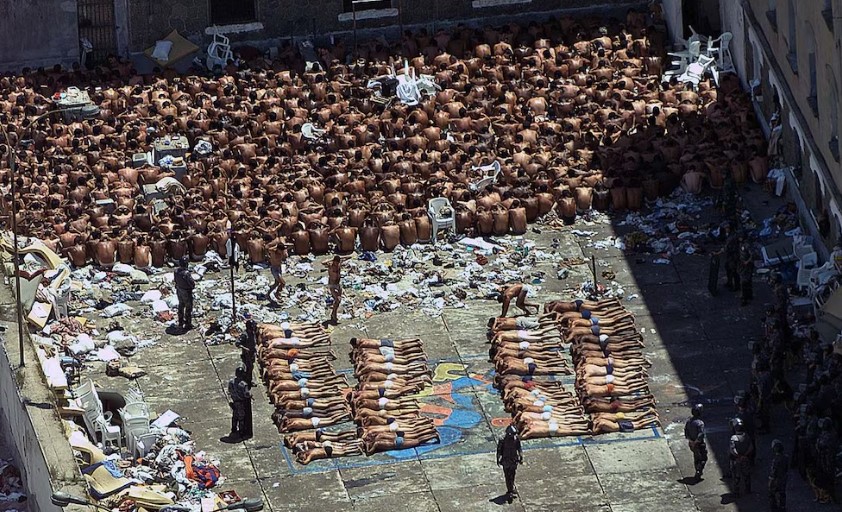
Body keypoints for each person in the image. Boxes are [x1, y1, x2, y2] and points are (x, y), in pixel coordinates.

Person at [496, 424, 523, 502]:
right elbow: (499, 450)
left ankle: (511, 488)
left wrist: (521, 456)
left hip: (514, 460)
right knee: (507, 476)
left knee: (513, 474)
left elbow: (519, 448)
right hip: (506, 460)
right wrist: (498, 459)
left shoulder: (516, 439)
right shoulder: (502, 440)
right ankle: (510, 490)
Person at [729, 418, 754, 497]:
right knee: (747, 475)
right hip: (745, 459)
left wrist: (739, 456)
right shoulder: (746, 436)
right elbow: (751, 447)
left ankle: (736, 492)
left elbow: (733, 450)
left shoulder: (733, 438)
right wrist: (745, 455)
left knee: (736, 476)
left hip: (736, 460)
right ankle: (748, 489)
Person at [227, 366, 252, 440]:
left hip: (234, 401)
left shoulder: (231, 382)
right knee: (241, 418)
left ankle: (233, 428)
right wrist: (250, 395)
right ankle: (241, 432)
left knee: (235, 416)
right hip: (241, 402)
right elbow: (246, 394)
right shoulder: (243, 384)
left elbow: (229, 390)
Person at [684, 403, 707, 481]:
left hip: (691, 444)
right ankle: (698, 470)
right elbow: (701, 434)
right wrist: (696, 442)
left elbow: (686, 432)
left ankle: (697, 469)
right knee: (703, 458)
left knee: (696, 457)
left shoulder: (689, 422)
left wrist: (691, 441)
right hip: (699, 444)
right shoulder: (700, 423)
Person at [322, 255, 345, 324]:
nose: (337, 264)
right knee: (337, 299)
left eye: (338, 262)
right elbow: (322, 262)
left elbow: (349, 257)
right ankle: (333, 314)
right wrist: (331, 259)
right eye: (336, 262)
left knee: (338, 300)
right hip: (332, 285)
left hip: (338, 284)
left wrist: (342, 257)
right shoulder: (330, 265)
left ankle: (333, 313)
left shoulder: (339, 264)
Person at [237, 314, 257, 386]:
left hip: (252, 354)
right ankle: (246, 381)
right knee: (247, 369)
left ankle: (249, 381)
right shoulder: (245, 335)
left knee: (251, 368)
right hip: (246, 355)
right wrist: (245, 348)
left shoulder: (252, 333)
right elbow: (238, 344)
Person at [768, 439, 788, 512]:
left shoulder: (776, 460)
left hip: (776, 479)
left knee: (771, 493)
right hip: (783, 478)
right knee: (782, 493)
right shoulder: (786, 457)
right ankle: (782, 507)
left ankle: (774, 508)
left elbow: (773, 472)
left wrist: (770, 481)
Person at [739, 239, 754, 306]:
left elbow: (752, 255)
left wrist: (747, 262)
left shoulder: (747, 245)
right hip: (742, 265)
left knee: (744, 282)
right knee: (746, 281)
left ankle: (744, 298)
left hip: (747, 266)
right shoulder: (740, 244)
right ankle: (748, 296)